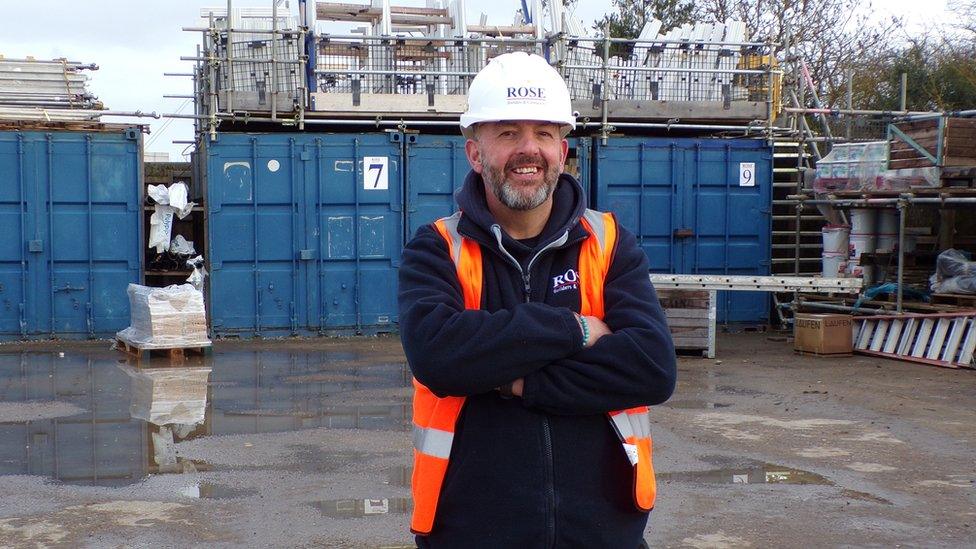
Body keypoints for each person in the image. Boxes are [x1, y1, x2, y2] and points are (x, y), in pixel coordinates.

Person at [398, 51, 677, 548]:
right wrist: (576, 329)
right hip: (468, 534)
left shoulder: (609, 243)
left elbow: (650, 367)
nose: (529, 149)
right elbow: (438, 357)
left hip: (602, 534)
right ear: (475, 152)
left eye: (544, 133)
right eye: (507, 133)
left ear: (563, 148)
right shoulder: (437, 248)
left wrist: (515, 381)